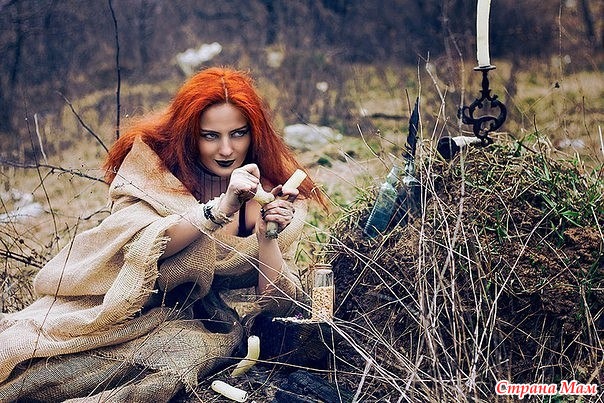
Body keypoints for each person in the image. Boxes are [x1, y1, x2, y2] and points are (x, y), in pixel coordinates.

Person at [0, 66, 326, 401]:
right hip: (122, 305)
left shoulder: (276, 191)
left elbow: (274, 301)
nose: (226, 150)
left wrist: (267, 237)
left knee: (162, 368)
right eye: (210, 136)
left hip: (201, 327)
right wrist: (219, 209)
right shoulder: (155, 171)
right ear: (190, 134)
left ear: (254, 133)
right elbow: (142, 245)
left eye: (238, 134)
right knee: (30, 357)